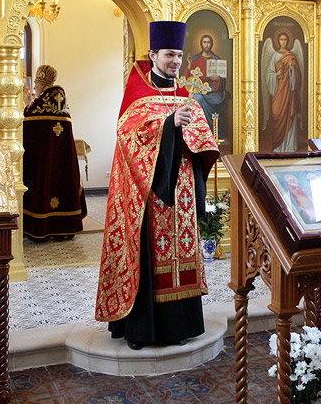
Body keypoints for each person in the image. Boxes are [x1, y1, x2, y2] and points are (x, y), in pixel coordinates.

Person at [96, 21, 219, 350]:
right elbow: (129, 136)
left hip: (183, 192)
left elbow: (201, 138)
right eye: (168, 55)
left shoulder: (186, 96)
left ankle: (181, 326)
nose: (175, 61)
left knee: (182, 255)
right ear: (153, 55)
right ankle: (141, 331)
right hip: (149, 193)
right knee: (151, 257)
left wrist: (199, 136)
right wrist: (168, 125)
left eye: (178, 55)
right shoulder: (137, 95)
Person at [22, 64, 87, 242]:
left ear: (42, 86)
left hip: (42, 163)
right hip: (62, 163)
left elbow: (27, 136)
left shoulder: (34, 109)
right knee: (62, 183)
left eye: (36, 84)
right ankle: (65, 228)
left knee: (43, 185)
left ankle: (41, 228)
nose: (35, 87)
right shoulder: (63, 107)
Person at [261, 31, 303, 151]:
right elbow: (268, 74)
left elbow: (298, 77)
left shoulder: (291, 56)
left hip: (289, 92)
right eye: (281, 39)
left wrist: (291, 67)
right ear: (278, 41)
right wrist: (276, 74)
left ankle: (289, 146)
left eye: (285, 39)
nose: (283, 42)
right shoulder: (274, 55)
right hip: (277, 91)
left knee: (289, 115)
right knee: (276, 113)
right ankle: (278, 146)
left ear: (288, 41)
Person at [186, 33, 227, 137]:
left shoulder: (216, 59)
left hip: (213, 90)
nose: (206, 45)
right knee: (197, 98)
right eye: (204, 42)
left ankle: (213, 133)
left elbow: (223, 80)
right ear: (201, 44)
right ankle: (199, 132)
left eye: (208, 42)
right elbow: (188, 78)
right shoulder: (195, 59)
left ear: (211, 44)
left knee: (217, 100)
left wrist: (217, 79)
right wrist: (190, 65)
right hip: (199, 88)